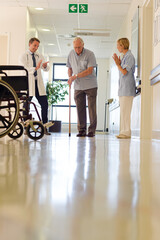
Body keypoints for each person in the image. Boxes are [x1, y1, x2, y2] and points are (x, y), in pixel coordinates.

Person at [66, 37, 98, 137]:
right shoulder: (71, 54)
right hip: (78, 86)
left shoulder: (90, 54)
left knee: (91, 108)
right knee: (80, 108)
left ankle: (91, 131)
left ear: (83, 45)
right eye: (75, 47)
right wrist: (70, 77)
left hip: (90, 85)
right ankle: (82, 130)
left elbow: (89, 70)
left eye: (79, 47)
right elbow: (69, 68)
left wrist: (75, 76)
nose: (77, 50)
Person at [19, 37, 51, 135]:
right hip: (29, 83)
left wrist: (45, 66)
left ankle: (44, 126)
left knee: (44, 104)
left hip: (38, 84)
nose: (36, 48)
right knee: (26, 105)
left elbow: (45, 69)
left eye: (37, 46)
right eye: (34, 45)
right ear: (30, 44)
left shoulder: (39, 55)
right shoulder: (23, 55)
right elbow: (23, 68)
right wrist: (35, 68)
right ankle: (25, 127)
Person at [112, 38, 136, 139]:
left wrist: (118, 64)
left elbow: (125, 72)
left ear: (123, 45)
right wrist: (119, 63)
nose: (117, 47)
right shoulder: (125, 56)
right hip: (123, 88)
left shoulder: (129, 56)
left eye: (118, 45)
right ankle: (123, 131)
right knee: (123, 111)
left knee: (126, 111)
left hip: (127, 88)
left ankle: (126, 132)